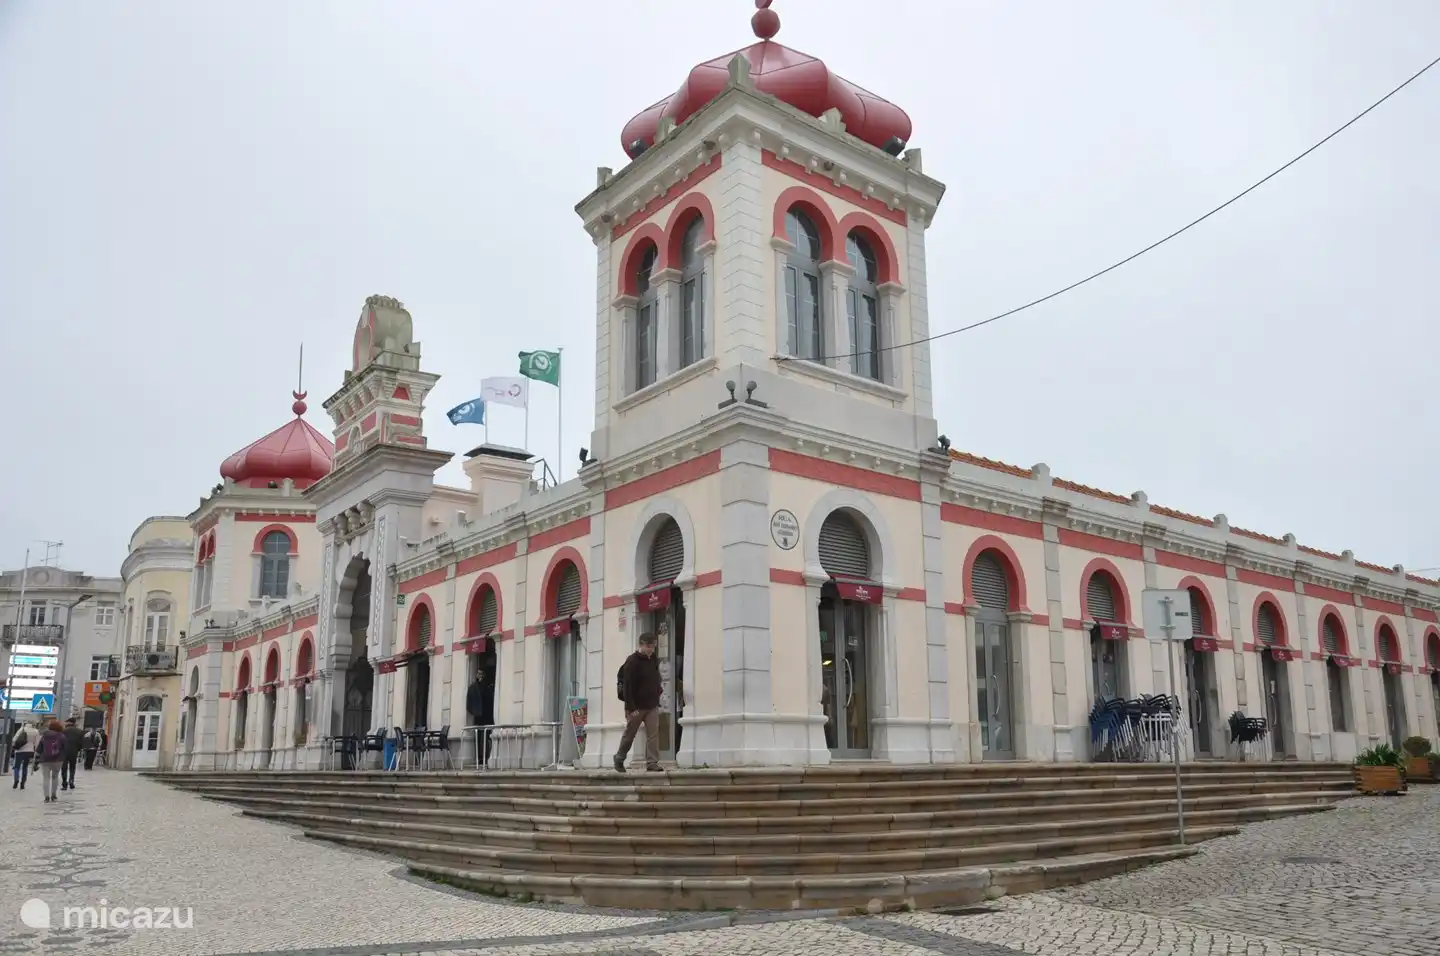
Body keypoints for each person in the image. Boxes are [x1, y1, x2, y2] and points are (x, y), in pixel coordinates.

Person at [613, 632, 663, 773]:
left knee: (653, 735)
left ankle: (652, 763)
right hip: (636, 706)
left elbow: (655, 677)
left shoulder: (653, 659)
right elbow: (628, 686)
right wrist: (631, 707)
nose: (651, 649)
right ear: (641, 645)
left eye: (653, 646)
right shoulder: (632, 661)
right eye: (648, 646)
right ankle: (619, 758)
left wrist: (658, 691)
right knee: (630, 734)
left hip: (652, 705)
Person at [466, 668, 496, 764]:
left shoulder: (488, 686)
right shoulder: (473, 687)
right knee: (478, 738)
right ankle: (479, 758)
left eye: (481, 673)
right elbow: (469, 702)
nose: (480, 675)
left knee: (487, 737)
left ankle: (486, 756)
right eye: (478, 673)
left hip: (488, 716)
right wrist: (474, 712)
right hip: (479, 716)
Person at [35, 720, 67, 803]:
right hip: (58, 760)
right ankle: (54, 795)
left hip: (45, 759)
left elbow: (39, 749)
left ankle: (46, 797)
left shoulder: (44, 736)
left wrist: (36, 759)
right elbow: (65, 748)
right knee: (55, 777)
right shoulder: (62, 736)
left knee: (46, 778)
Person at [11, 722, 36, 789]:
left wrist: (14, 746)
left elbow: (14, 739)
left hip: (20, 751)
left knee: (17, 766)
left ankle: (16, 780)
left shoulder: (22, 729)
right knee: (25, 767)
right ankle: (23, 783)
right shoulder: (35, 731)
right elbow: (37, 743)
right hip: (30, 751)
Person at [60, 717, 84, 789]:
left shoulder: (63, 731)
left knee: (64, 767)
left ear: (69, 723)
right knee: (72, 767)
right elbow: (81, 743)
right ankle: (71, 780)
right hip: (74, 751)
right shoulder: (79, 731)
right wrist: (78, 749)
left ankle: (64, 783)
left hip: (64, 751)